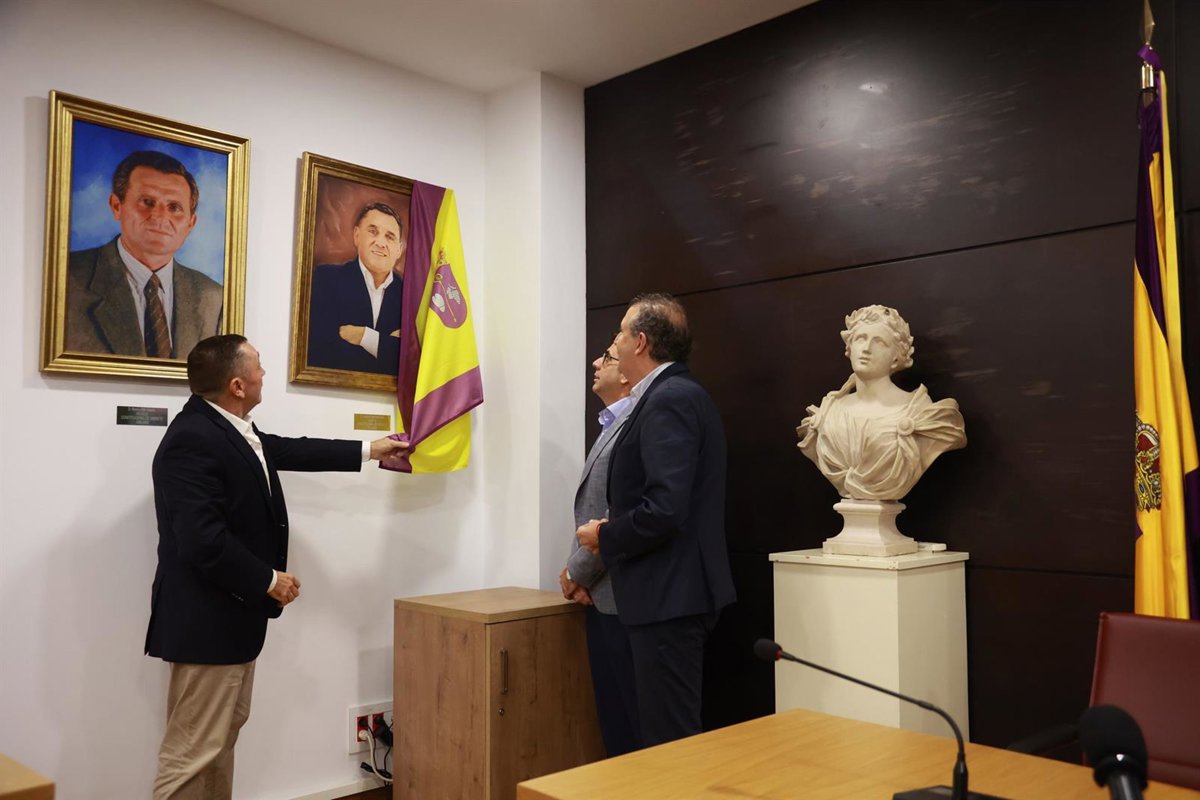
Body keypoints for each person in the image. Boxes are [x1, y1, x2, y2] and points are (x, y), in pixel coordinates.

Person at [145, 334, 408, 799]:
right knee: (191, 755)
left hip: (230, 622)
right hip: (205, 624)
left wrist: (372, 449)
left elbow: (289, 450)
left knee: (218, 744)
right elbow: (202, 541)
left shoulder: (225, 427)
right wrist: (268, 579)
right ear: (237, 385)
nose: (264, 373)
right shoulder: (192, 438)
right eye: (258, 365)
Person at [576, 293, 735, 747]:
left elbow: (666, 507)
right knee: (657, 742)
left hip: (669, 598)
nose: (614, 342)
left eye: (620, 333)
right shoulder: (668, 395)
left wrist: (604, 536)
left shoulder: (669, 399)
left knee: (669, 745)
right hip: (666, 596)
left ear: (640, 342)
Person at [559, 343, 642, 756]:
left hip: (625, 594)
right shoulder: (611, 422)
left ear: (626, 372)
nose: (595, 362)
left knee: (635, 731)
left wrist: (576, 572)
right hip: (603, 595)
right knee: (616, 728)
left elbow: (617, 512)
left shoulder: (635, 425)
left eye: (607, 357)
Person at [796, 304, 966, 500]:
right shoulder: (826, 415)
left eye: (879, 342)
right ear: (849, 348)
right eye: (860, 338)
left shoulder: (920, 415)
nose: (866, 348)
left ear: (896, 357)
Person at [66, 150, 222, 358]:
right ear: (116, 206)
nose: (160, 216)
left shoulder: (213, 297)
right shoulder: (68, 279)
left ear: (190, 223)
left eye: (174, 207)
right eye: (147, 202)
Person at [307, 202, 405, 375]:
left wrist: (365, 336)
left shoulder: (409, 297)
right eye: (373, 231)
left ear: (399, 249)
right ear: (357, 236)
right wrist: (388, 345)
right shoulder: (325, 279)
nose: (381, 243)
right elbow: (321, 351)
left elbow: (411, 361)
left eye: (390, 237)